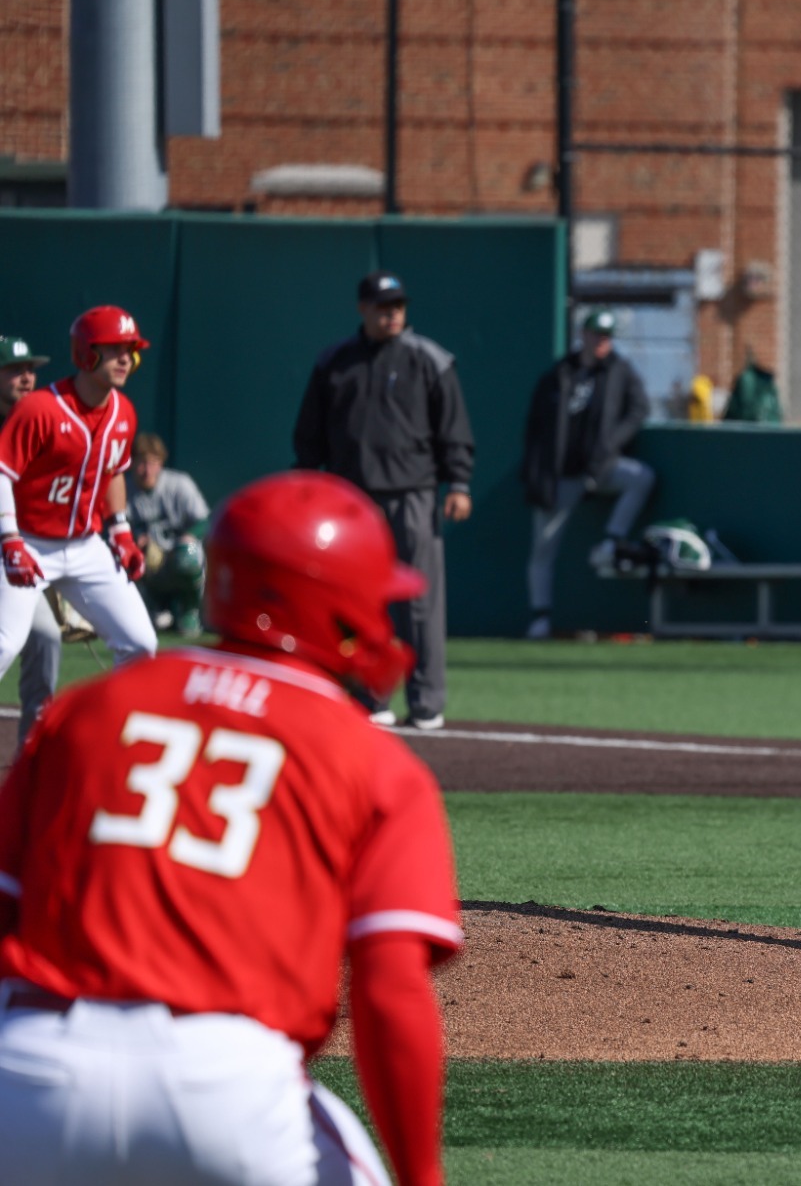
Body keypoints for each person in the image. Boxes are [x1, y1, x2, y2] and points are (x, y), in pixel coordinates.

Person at [0, 469, 461, 1184]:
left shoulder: (88, 710)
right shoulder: (375, 760)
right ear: (328, 601)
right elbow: (390, 990)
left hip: (32, 1075)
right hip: (226, 1089)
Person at [293, 271, 475, 729]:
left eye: (398, 305)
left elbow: (453, 429)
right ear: (363, 309)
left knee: (419, 603)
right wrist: (309, 485)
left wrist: (458, 483)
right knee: (356, 603)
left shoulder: (429, 359)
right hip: (350, 501)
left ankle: (427, 701)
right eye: (382, 305)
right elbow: (309, 435)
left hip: (412, 494)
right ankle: (369, 697)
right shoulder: (335, 361)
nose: (392, 312)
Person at [0, 308, 158, 723]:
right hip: (29, 540)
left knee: (141, 643)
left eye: (131, 351)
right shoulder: (39, 408)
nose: (126, 359)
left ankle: (107, 734)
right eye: (115, 351)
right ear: (86, 354)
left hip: (86, 546)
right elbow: (1, 475)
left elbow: (115, 472)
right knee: (4, 645)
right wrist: (10, 539)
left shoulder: (124, 411)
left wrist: (121, 530)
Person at [520, 308, 654, 640]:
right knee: (543, 546)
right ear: (584, 334)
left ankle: (612, 539)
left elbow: (639, 410)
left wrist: (611, 443)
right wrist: (537, 475)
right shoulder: (560, 373)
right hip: (560, 475)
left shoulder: (620, 371)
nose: (601, 342)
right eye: (596, 335)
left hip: (600, 468)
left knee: (641, 477)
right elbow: (535, 429)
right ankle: (540, 617)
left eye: (607, 337)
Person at [0, 335, 64, 749]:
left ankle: (32, 752)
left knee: (45, 638)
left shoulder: (38, 423)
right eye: (15, 370)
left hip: (15, 557)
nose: (27, 378)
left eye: (31, 370)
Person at [128, 432, 211, 635]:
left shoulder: (179, 484)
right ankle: (153, 608)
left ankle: (189, 610)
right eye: (141, 463)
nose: (147, 470)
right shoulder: (123, 488)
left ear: (161, 463)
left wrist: (189, 535)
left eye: (153, 463)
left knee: (189, 552)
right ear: (130, 463)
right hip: (147, 566)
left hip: (176, 558)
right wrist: (133, 542)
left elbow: (205, 520)